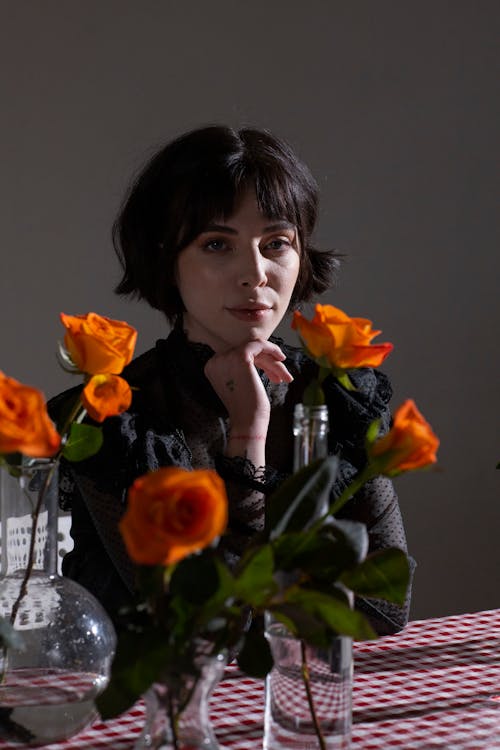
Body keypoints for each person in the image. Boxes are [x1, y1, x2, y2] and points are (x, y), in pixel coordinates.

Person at [50, 125, 414, 635]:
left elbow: (385, 608)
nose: (255, 272)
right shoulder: (114, 420)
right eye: (218, 243)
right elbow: (204, 632)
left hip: (304, 697)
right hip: (150, 710)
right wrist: (248, 434)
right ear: (165, 258)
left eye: (277, 243)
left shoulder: (338, 393)